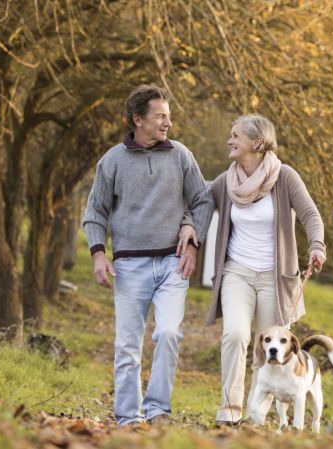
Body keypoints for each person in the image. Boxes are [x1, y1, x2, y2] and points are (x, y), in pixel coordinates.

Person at [82, 84, 214, 426]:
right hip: (128, 267)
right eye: (160, 116)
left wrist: (194, 237)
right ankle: (128, 417)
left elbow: (203, 200)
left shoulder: (182, 155)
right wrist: (99, 254)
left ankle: (158, 411)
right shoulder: (112, 161)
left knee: (169, 333)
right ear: (137, 119)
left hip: (173, 263)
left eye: (168, 115)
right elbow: (94, 212)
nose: (167, 122)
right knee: (127, 346)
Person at [204, 114, 326, 425]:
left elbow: (311, 214)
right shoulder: (226, 181)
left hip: (275, 276)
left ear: (256, 143)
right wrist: (190, 229)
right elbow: (200, 202)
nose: (230, 141)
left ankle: (255, 413)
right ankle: (229, 412)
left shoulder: (284, 177)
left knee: (269, 346)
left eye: (236, 136)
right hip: (237, 272)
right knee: (234, 335)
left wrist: (316, 245)